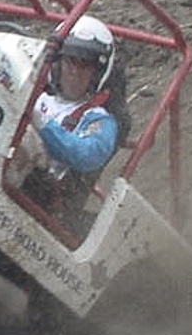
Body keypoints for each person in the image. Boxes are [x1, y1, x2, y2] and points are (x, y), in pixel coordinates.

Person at [28, 15, 127, 222]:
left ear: (98, 72)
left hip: (39, 193)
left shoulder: (99, 119)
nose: (75, 71)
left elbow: (87, 154)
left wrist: (42, 124)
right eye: (71, 60)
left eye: (86, 64)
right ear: (58, 63)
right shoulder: (34, 91)